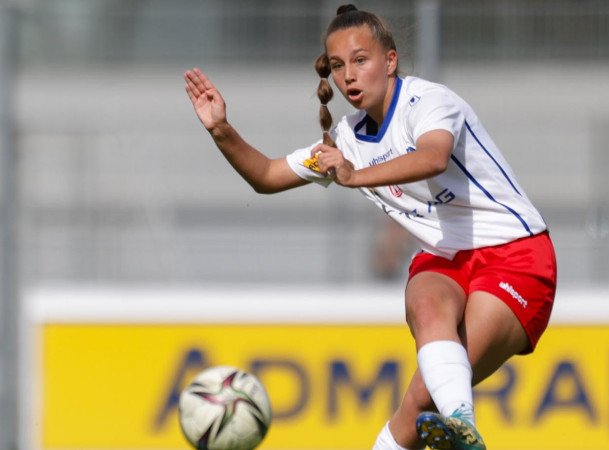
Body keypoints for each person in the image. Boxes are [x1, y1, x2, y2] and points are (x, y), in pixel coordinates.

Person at [184, 4, 556, 450]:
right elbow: (266, 176)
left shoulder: (430, 101)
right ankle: (463, 430)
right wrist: (221, 129)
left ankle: (458, 423)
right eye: (339, 66)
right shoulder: (345, 140)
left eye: (361, 60)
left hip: (517, 256)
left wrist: (353, 176)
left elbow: (433, 156)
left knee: (420, 403)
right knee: (424, 310)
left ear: (390, 60)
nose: (349, 77)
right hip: (445, 258)